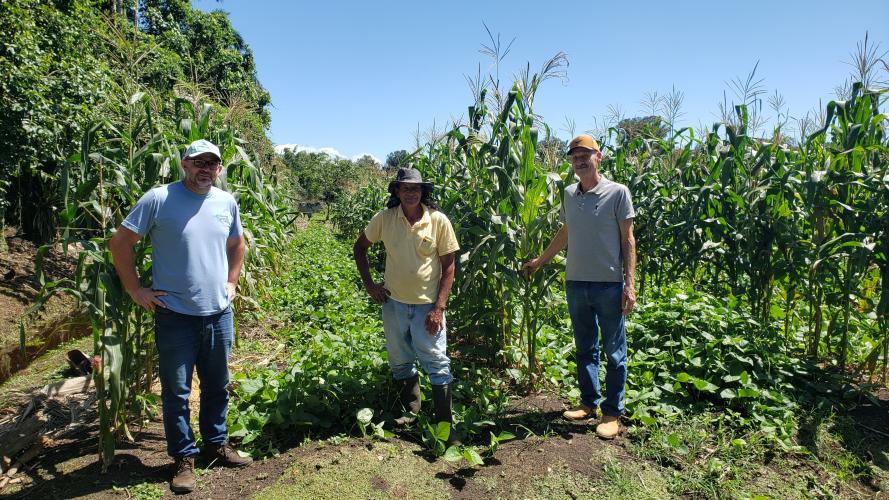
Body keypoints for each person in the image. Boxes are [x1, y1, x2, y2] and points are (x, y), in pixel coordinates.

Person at [108, 139, 251, 493]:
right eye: (199, 162)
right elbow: (120, 243)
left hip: (218, 313)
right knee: (177, 391)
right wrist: (135, 290)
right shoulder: (159, 198)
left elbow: (236, 244)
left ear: (219, 169)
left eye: (212, 164)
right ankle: (183, 458)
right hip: (175, 316)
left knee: (218, 385)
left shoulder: (226, 202)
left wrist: (232, 283)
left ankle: (216, 446)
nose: (206, 169)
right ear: (185, 164)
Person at [522, 135, 637, 439]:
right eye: (574, 157)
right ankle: (589, 403)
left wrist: (630, 285)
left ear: (599, 156)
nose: (580, 160)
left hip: (609, 285)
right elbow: (567, 232)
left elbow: (628, 240)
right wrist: (541, 260)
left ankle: (612, 413)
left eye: (585, 155)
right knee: (585, 347)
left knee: (614, 352)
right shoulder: (570, 194)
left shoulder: (617, 193)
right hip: (576, 283)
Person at [353, 167, 460, 443]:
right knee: (400, 360)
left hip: (428, 308)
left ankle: (445, 427)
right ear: (397, 192)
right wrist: (370, 285)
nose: (411, 193)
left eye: (416, 188)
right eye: (405, 188)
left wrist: (439, 307)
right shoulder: (385, 219)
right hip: (394, 304)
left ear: (423, 192)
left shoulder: (438, 221)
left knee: (436, 363)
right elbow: (360, 247)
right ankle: (411, 412)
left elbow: (449, 267)